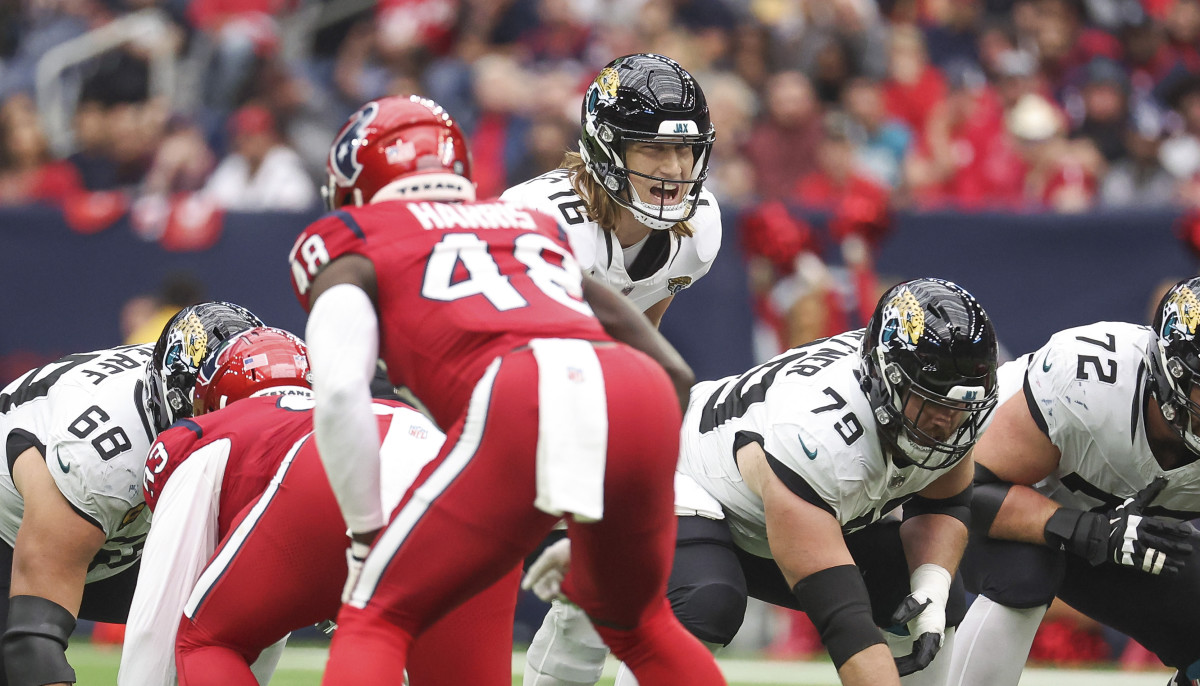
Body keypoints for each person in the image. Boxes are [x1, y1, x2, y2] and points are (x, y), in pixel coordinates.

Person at [289, 93, 726, 686]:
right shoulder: (527, 222)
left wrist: (367, 534)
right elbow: (671, 375)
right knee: (641, 626)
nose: (673, 168)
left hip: (525, 392)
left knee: (377, 613)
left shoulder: (346, 237)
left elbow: (340, 394)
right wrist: (606, 510)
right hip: (637, 393)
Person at [522, 278, 1000, 686]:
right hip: (686, 476)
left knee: (921, 601)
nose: (946, 421)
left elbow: (945, 502)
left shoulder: (944, 404)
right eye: (934, 403)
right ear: (887, 380)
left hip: (777, 510)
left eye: (961, 407)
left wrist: (933, 583)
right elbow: (844, 623)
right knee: (706, 601)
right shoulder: (818, 434)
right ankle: (592, 586)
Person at [117, 326, 445, 686]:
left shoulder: (203, 437)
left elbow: (155, 627)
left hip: (326, 476)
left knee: (204, 642)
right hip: (434, 450)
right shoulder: (342, 406)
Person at [946, 277, 1200, 686]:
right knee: (1025, 572)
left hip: (1120, 531)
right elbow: (966, 490)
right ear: (1169, 376)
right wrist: (1089, 531)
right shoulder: (1091, 385)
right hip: (998, 505)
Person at [0, 301, 261, 686]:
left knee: (250, 601)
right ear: (179, 401)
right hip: (15, 533)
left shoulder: (188, 383)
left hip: (121, 534)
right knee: (28, 651)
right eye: (224, 413)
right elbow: (33, 644)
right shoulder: (98, 461)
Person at [500, 52, 720, 328]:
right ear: (605, 148)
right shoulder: (541, 219)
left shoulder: (699, 227)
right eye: (653, 148)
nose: (673, 169)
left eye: (684, 148)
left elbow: (642, 331)